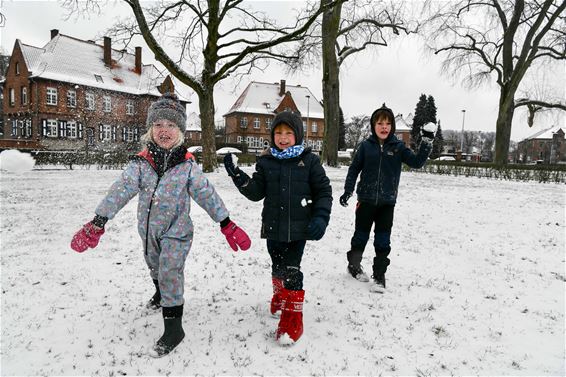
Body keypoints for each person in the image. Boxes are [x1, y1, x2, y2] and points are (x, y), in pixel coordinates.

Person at [70, 93, 251, 357]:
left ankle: (174, 327)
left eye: (171, 125)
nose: (163, 130)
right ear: (150, 130)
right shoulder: (141, 164)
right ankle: (160, 294)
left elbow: (207, 194)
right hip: (148, 231)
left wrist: (226, 223)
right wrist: (98, 222)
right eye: (158, 125)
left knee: (169, 270)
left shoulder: (187, 166)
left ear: (180, 131)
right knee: (154, 264)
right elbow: (119, 191)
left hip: (177, 233)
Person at [223, 110, 332, 344]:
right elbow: (256, 192)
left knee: (292, 270)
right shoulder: (266, 160)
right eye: (278, 133)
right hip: (273, 227)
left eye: (289, 133)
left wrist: (320, 218)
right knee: (278, 266)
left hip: (298, 230)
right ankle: (280, 296)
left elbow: (324, 191)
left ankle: (293, 319)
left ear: (298, 136)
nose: (283, 137)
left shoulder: (309, 161)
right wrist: (237, 176)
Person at [339, 103, 436, 293]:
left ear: (392, 126)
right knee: (361, 236)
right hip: (365, 200)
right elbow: (354, 170)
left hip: (387, 202)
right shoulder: (365, 147)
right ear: (373, 126)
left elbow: (416, 163)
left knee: (383, 240)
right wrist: (348, 190)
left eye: (388, 123)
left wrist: (426, 142)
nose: (384, 127)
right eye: (380, 123)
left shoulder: (398, 148)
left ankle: (379, 275)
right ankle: (354, 266)